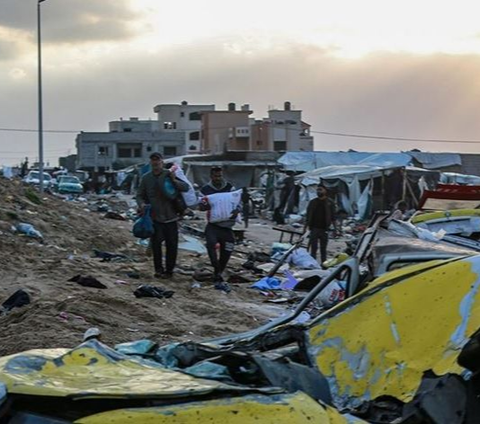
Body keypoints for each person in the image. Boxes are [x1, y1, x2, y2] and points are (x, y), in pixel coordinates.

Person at [136, 152, 189, 279]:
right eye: (153, 161)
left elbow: (185, 187)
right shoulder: (146, 178)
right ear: (150, 163)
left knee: (172, 246)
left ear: (162, 162)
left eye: (158, 161)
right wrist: (141, 204)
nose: (155, 163)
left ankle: (169, 271)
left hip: (171, 217)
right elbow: (139, 195)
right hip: (155, 218)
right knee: (156, 246)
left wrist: (174, 180)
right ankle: (158, 270)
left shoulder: (169, 174)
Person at [200, 166, 237, 284]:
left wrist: (237, 210)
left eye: (220, 176)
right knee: (211, 245)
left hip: (227, 226)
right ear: (211, 176)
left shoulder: (230, 188)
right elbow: (200, 206)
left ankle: (219, 271)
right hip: (213, 225)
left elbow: (237, 202)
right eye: (215, 176)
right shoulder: (205, 189)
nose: (218, 178)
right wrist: (205, 205)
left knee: (229, 247)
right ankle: (215, 267)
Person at [305, 184, 336, 265]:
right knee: (313, 248)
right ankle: (313, 264)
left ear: (325, 191)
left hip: (324, 229)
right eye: (318, 190)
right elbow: (308, 216)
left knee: (323, 249)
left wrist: (336, 229)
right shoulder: (313, 202)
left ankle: (323, 264)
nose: (318, 191)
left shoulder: (330, 203)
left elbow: (333, 217)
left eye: (320, 189)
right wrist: (306, 228)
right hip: (314, 228)